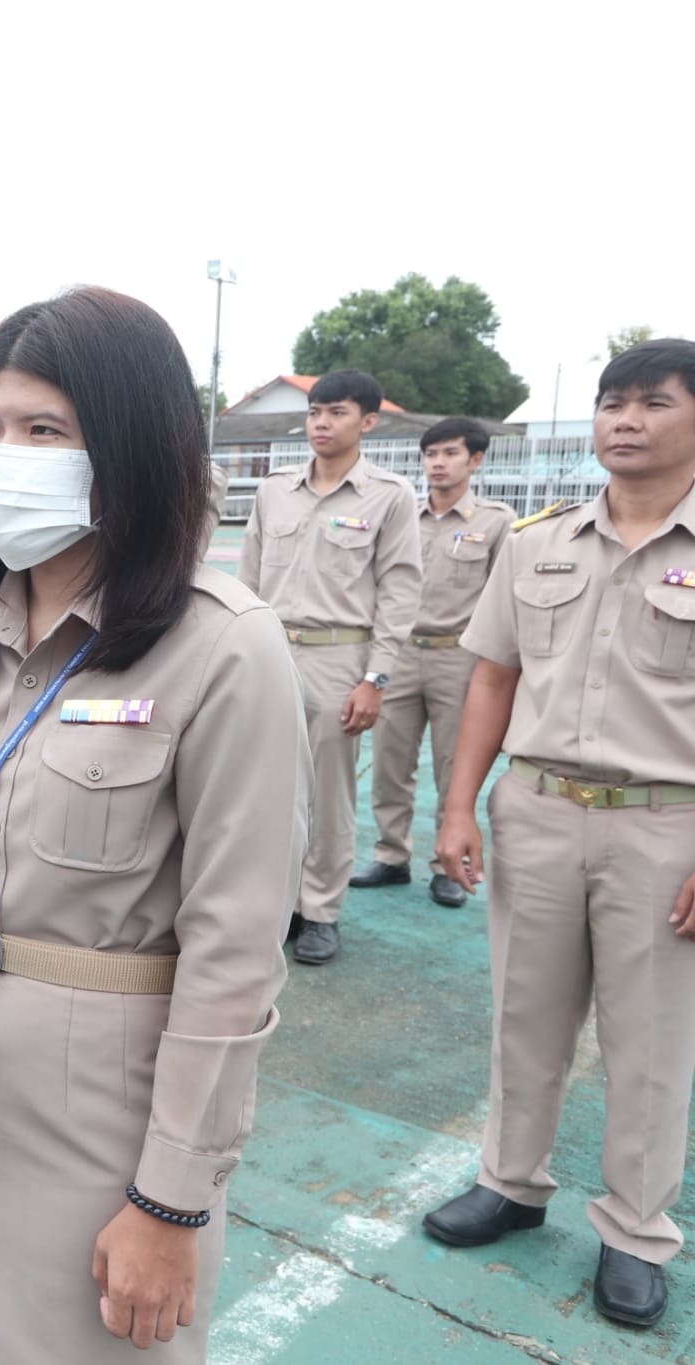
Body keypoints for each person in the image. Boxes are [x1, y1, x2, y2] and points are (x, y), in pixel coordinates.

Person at [0, 287, 309, 1361]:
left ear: (131, 448)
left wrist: (171, 1197)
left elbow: (234, 951)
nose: (4, 457)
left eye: (45, 431)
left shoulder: (223, 647)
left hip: (104, 1108)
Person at [422, 338, 695, 1330]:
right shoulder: (537, 541)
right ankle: (510, 1182)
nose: (624, 419)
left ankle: (635, 1230)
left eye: (652, 402)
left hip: (664, 824)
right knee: (523, 1014)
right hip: (535, 810)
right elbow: (492, 677)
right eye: (612, 402)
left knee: (649, 1039)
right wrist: (458, 805)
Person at [239, 369, 421, 965]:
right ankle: (282, 903)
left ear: (368, 422)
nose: (321, 423)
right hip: (271, 650)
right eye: (315, 411)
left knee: (329, 794)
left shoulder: (389, 496)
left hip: (339, 658)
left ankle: (319, 909)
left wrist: (375, 678)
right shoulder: (274, 490)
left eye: (336, 412)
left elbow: (399, 591)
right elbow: (248, 576)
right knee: (266, 787)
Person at [348, 419, 514, 907]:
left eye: (450, 453)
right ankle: (391, 855)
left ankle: (448, 866)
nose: (438, 464)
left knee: (454, 766)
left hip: (459, 659)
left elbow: (503, 600)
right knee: (389, 763)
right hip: (398, 655)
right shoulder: (403, 516)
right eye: (431, 454)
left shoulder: (496, 522)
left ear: (475, 460)